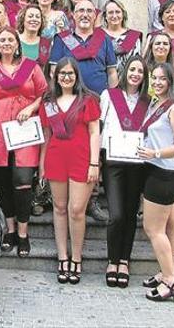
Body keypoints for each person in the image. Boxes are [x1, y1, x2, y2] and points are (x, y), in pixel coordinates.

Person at [0, 28, 47, 257]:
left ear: (18, 44)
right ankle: (10, 230)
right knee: (4, 182)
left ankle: (23, 233)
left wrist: (31, 107)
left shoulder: (31, 67)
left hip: (25, 131)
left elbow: (43, 94)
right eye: (2, 40)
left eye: (10, 40)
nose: (6, 43)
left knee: (23, 180)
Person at [39, 58, 101, 285]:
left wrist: (95, 163)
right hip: (56, 157)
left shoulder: (88, 100)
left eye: (70, 73)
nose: (66, 77)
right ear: (56, 77)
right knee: (59, 208)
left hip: (82, 159)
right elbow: (46, 137)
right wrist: (42, 165)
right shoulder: (49, 102)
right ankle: (62, 257)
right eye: (62, 74)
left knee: (77, 210)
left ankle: (77, 257)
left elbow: (95, 132)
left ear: (77, 76)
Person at [138, 62, 174, 302]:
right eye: (154, 78)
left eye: (162, 79)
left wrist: (155, 153)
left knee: (153, 229)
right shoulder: (155, 103)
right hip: (158, 170)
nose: (157, 82)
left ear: (171, 81)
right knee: (171, 224)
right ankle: (167, 270)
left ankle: (171, 280)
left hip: (165, 173)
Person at [100, 55, 150, 288]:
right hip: (114, 161)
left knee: (130, 214)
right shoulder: (109, 96)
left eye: (140, 71)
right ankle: (112, 260)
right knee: (116, 214)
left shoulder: (149, 101)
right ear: (124, 71)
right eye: (132, 69)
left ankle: (124, 261)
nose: (135, 74)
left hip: (138, 163)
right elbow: (100, 127)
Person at [49, 0, 117, 96]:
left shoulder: (104, 38)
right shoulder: (62, 39)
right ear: (73, 15)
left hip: (100, 100)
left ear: (94, 16)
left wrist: (112, 99)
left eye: (89, 11)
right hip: (70, 100)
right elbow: (54, 72)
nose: (85, 15)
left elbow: (112, 73)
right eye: (81, 11)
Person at [102, 0, 143, 73]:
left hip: (128, 80)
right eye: (110, 12)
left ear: (123, 14)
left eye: (117, 12)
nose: (114, 16)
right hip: (103, 80)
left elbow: (137, 63)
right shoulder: (98, 36)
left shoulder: (133, 37)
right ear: (105, 16)